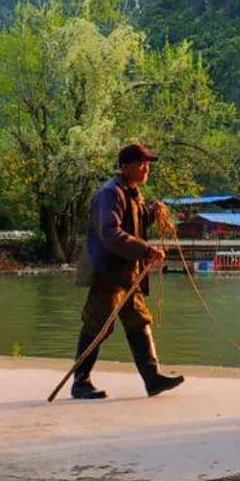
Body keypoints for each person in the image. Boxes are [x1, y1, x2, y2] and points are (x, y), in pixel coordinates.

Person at [69, 143, 185, 400]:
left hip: (127, 275)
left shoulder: (131, 192)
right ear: (125, 166)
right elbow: (110, 233)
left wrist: (153, 213)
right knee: (97, 325)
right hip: (107, 273)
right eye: (142, 163)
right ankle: (80, 381)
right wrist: (145, 250)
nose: (147, 168)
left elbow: (135, 221)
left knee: (139, 321)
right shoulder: (110, 194)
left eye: (148, 163)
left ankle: (152, 379)